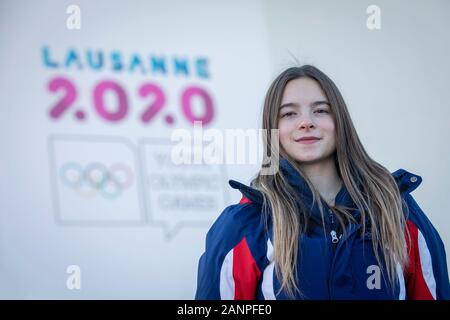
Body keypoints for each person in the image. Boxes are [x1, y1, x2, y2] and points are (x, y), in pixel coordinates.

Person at [195, 65, 450, 300]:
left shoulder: (396, 208)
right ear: (272, 130)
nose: (306, 122)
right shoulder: (245, 224)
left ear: (340, 122)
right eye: (289, 113)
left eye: (320, 110)